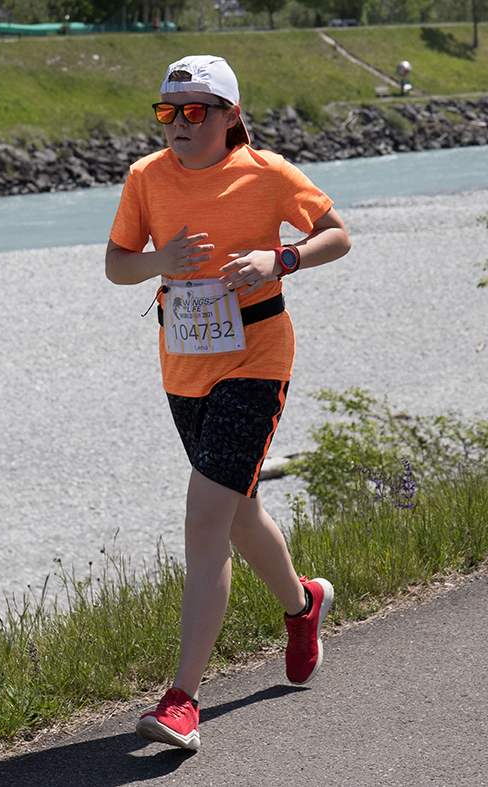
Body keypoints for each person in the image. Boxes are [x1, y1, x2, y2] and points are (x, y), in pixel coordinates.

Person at [106, 55, 352, 751]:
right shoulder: (144, 178)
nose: (178, 124)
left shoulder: (267, 173)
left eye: (194, 111)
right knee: (239, 514)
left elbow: (337, 233)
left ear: (229, 116)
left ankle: (182, 698)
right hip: (182, 366)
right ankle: (302, 605)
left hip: (256, 359)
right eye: (166, 111)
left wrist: (280, 260)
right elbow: (117, 262)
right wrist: (161, 260)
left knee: (205, 514)